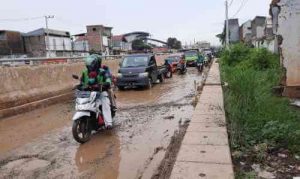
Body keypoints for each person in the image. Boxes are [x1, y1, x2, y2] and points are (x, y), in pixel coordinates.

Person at [81, 54, 113, 129]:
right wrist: (80, 86)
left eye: (92, 64)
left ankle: (108, 123)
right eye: (89, 64)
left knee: (105, 103)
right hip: (88, 93)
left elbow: (108, 80)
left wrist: (106, 83)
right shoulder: (85, 72)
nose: (90, 66)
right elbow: (81, 82)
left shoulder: (103, 72)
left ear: (97, 64)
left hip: (101, 92)